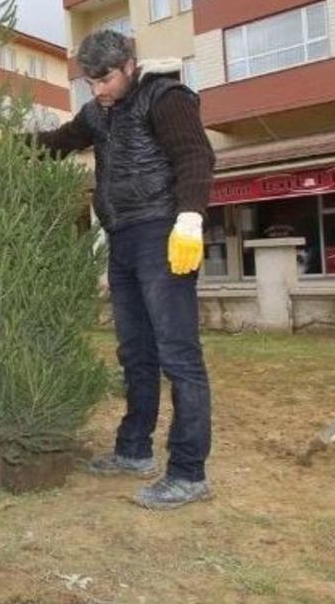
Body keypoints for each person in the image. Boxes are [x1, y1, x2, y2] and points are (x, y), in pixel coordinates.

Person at [33, 30, 215, 510]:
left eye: (106, 78)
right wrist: (3, 145)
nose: (98, 90)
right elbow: (56, 142)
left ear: (130, 65)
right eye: (90, 81)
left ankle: (188, 473)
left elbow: (196, 157)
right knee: (135, 352)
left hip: (163, 235)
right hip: (121, 239)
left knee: (179, 356)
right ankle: (134, 450)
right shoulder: (97, 114)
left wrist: (190, 219)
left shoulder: (165, 96)